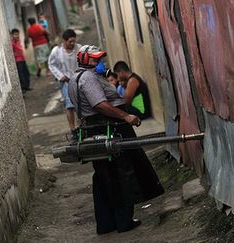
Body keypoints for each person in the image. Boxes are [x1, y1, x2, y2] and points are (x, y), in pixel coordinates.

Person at [68, 45, 164, 235]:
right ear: (86, 60)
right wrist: (125, 117)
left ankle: (106, 223)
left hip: (94, 127)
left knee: (103, 174)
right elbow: (101, 105)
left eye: (100, 59)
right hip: (109, 126)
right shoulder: (88, 78)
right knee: (121, 171)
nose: (100, 63)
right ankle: (124, 221)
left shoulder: (77, 78)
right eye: (96, 60)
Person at [48, 29, 81, 140]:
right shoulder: (57, 51)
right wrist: (60, 76)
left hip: (78, 81)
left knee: (79, 105)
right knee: (69, 106)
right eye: (70, 42)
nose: (72, 44)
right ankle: (73, 130)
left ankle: (81, 127)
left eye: (73, 41)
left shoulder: (79, 49)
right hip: (66, 82)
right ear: (64, 41)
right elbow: (52, 65)